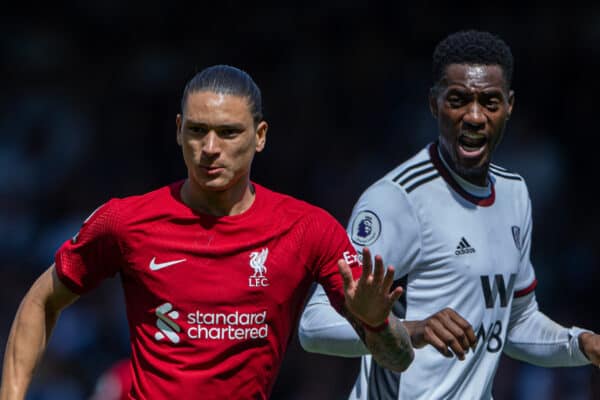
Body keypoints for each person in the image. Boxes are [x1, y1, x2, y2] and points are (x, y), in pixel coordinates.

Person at [0, 65, 414, 400]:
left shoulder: (308, 229)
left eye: (229, 132)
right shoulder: (125, 221)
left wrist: (377, 324)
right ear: (179, 130)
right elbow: (41, 302)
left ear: (260, 136)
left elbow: (397, 357)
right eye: (197, 130)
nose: (210, 147)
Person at [299, 30, 600, 399]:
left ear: (509, 106)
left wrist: (582, 344)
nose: (474, 116)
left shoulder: (514, 193)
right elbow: (314, 326)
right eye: (458, 100)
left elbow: (516, 323)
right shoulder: (396, 201)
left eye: (489, 102)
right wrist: (409, 329)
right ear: (433, 103)